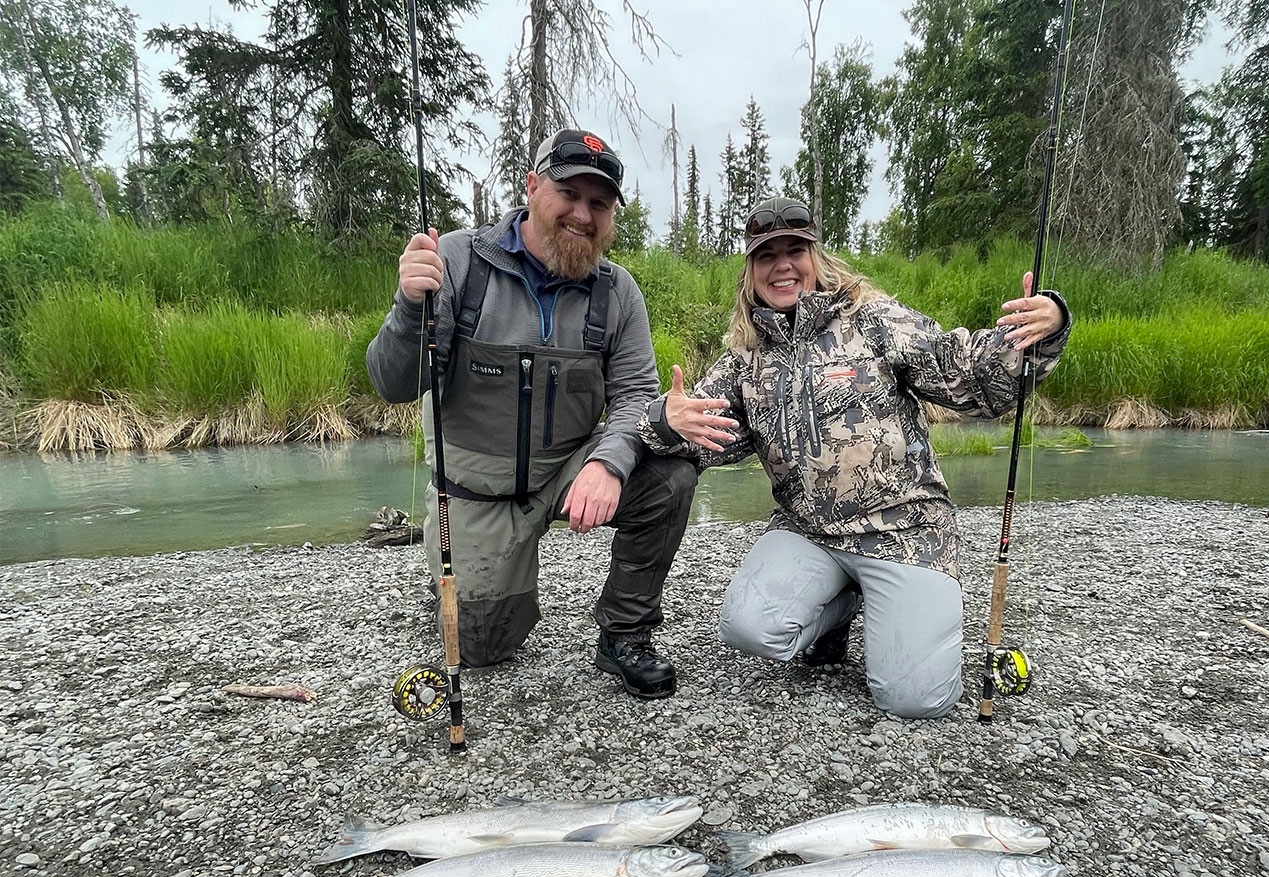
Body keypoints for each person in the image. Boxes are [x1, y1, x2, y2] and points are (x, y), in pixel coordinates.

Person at [637, 197, 1070, 720]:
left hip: (907, 532)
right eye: (766, 254)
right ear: (750, 270)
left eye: (795, 250)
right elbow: (701, 434)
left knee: (915, 701)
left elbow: (970, 376)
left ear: (815, 256)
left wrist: (1044, 324)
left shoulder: (874, 320)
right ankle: (842, 603)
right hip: (807, 532)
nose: (782, 265)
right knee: (747, 629)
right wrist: (664, 420)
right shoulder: (745, 357)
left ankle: (897, 607)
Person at [366, 129, 697, 699]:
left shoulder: (618, 292)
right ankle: (460, 573)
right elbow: (392, 383)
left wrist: (610, 464)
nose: (583, 214)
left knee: (669, 472)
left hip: (565, 470)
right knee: (483, 649)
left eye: (599, 203)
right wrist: (409, 307)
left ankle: (625, 632)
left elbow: (635, 398)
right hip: (476, 492)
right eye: (569, 194)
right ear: (533, 187)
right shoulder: (457, 261)